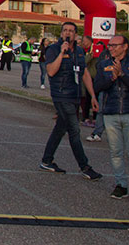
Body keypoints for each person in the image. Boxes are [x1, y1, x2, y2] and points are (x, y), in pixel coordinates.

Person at [39, 22, 103, 180]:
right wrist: (62, 53)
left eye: (71, 31)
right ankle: (84, 166)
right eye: (65, 30)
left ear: (76, 34)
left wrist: (93, 96)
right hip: (61, 95)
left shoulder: (79, 51)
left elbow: (84, 73)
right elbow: (51, 71)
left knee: (60, 128)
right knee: (74, 130)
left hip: (75, 95)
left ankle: (46, 160)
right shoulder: (54, 49)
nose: (68, 33)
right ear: (61, 33)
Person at [93, 35, 129, 203]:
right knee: (116, 152)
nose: (111, 48)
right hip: (111, 111)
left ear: (124, 46)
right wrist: (112, 78)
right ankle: (120, 184)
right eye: (110, 45)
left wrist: (122, 74)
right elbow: (97, 86)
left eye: (115, 45)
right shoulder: (103, 65)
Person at [86, 40, 107, 142]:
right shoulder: (104, 56)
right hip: (103, 85)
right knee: (101, 110)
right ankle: (97, 132)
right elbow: (98, 66)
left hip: (117, 89)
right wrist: (92, 55)